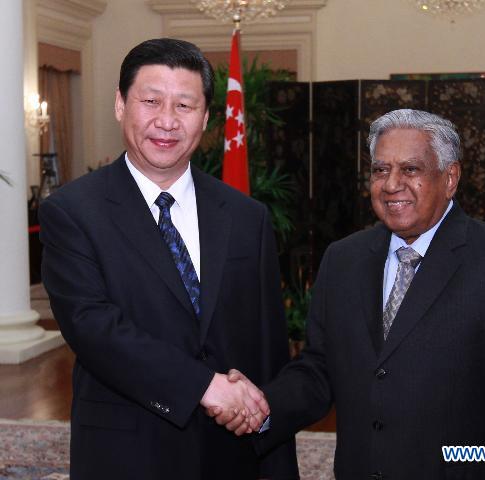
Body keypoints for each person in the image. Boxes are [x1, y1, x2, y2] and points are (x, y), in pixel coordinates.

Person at [212, 109, 485, 479]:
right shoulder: (343, 260)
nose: (391, 184)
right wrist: (262, 406)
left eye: (410, 169)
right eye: (380, 170)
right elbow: (319, 370)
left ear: (450, 178)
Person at [39, 38, 298, 480]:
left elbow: (267, 346)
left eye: (184, 105)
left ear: (207, 118)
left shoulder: (245, 216)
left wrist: (274, 455)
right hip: (128, 449)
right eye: (151, 100)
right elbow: (93, 327)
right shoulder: (72, 211)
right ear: (121, 104)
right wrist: (204, 386)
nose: (166, 121)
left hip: (233, 450)